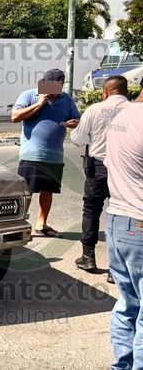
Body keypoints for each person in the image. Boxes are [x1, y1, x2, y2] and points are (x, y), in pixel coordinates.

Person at [70, 76, 130, 280]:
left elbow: (77, 139)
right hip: (125, 169)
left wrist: (91, 134)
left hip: (98, 168)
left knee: (91, 211)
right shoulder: (134, 111)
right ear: (126, 91)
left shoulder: (94, 109)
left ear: (105, 92)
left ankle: (88, 257)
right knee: (121, 215)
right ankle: (116, 268)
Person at [11, 69, 80, 237]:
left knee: (48, 191)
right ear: (43, 83)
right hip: (31, 154)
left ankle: (41, 224)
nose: (52, 91)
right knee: (27, 192)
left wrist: (74, 123)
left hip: (55, 155)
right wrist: (39, 104)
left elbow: (76, 119)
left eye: (57, 87)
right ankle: (18, 225)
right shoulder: (29, 95)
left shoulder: (66, 99)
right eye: (49, 86)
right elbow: (15, 117)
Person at [104, 93, 143, 370]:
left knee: (128, 304)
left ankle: (122, 366)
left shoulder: (121, 115)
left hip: (117, 219)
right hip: (139, 222)